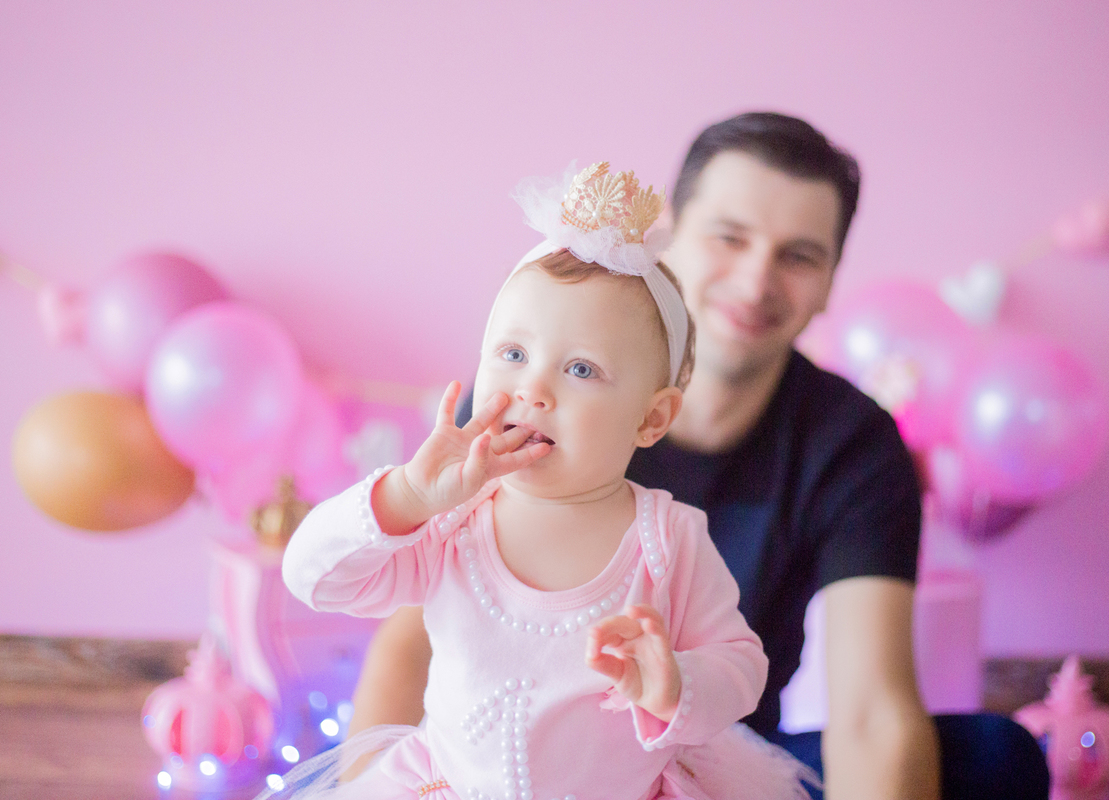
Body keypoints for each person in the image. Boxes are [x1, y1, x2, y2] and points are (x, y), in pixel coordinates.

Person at [349, 114, 1050, 800]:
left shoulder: (854, 443)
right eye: (729, 237)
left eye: (798, 255)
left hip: (709, 762)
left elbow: (873, 708)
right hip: (500, 765)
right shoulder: (534, 398)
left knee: (994, 756)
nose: (756, 281)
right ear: (668, 237)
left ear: (832, 280)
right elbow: (409, 648)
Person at [273, 161, 816, 800]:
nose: (532, 388)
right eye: (512, 354)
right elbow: (313, 576)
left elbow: (742, 667)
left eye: (581, 369)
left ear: (651, 417)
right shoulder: (454, 517)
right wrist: (406, 497)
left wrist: (673, 683)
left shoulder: (668, 539)